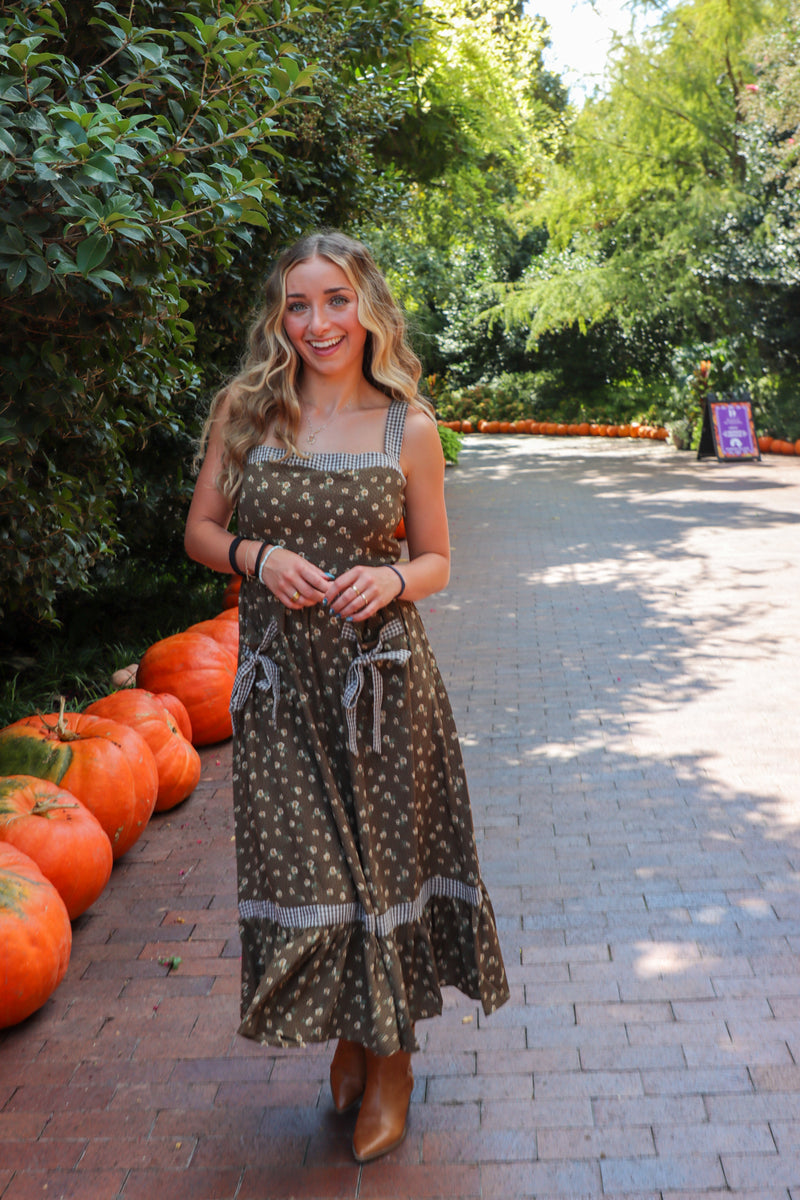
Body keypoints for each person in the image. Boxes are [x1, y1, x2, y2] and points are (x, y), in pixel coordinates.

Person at [184, 229, 509, 1163]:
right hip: (280, 688)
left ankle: (389, 1057)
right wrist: (256, 556)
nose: (318, 322)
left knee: (384, 875)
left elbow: (437, 558)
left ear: (368, 309)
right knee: (313, 871)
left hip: (381, 690)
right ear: (279, 316)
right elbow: (201, 531)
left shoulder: (410, 427)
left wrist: (393, 579)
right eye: (299, 304)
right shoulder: (248, 411)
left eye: (336, 301)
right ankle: (355, 1030)